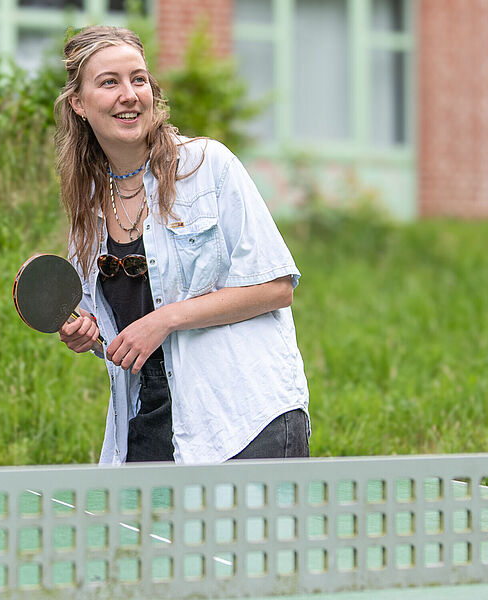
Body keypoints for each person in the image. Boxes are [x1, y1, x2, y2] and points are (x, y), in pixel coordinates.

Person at [54, 26, 310, 465]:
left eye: (138, 79)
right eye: (109, 82)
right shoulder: (88, 204)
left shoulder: (209, 166)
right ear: (79, 103)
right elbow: (120, 329)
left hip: (244, 420)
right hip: (151, 421)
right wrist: (87, 333)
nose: (129, 94)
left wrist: (165, 320)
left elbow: (276, 287)